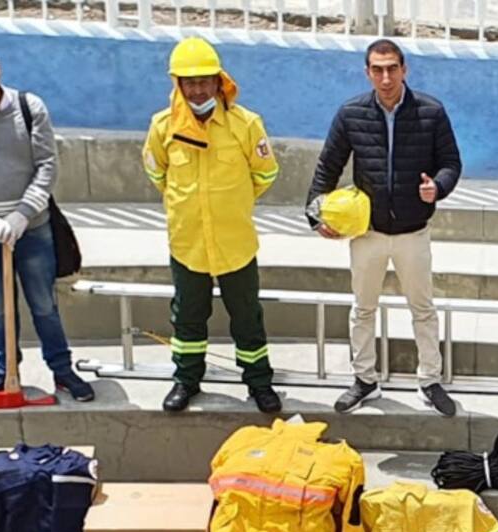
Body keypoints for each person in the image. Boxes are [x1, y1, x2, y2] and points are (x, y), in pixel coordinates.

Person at [307, 39, 462, 417]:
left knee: (422, 308)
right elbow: (328, 166)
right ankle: (364, 379)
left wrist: (437, 187)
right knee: (363, 309)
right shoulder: (351, 114)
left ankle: (430, 380)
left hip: (413, 232)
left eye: (392, 68)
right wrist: (315, 215)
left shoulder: (431, 111)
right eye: (377, 69)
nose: (386, 76)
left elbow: (451, 163)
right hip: (367, 233)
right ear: (367, 73)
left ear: (405, 69)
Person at [0, 40, 94, 406]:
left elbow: (47, 166)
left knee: (43, 305)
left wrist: (23, 214)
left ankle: (62, 369)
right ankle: (5, 370)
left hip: (34, 228)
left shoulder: (29, 108)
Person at [143, 37, 282, 414]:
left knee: (247, 318)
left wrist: (233, 203)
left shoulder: (245, 124)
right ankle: (186, 380)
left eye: (205, 80)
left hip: (235, 242)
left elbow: (266, 172)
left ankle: (259, 382)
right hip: (187, 244)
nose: (198, 89)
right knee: (187, 318)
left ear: (219, 81)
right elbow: (157, 172)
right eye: (190, 82)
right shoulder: (162, 127)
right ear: (178, 84)